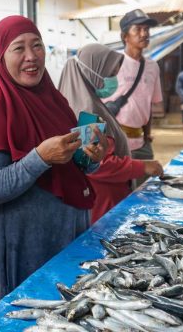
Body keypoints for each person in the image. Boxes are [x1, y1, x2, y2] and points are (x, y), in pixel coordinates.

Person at [0, 15, 107, 307]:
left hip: (67, 236)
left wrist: (92, 158)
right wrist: (39, 158)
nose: (31, 57)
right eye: (19, 48)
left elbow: (72, 166)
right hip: (23, 245)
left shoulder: (54, 101)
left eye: (37, 45)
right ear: (1, 58)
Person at [58, 44, 163, 223]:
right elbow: (97, 165)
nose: (114, 79)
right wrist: (142, 167)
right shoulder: (87, 111)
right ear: (94, 72)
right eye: (110, 73)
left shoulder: (89, 102)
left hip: (105, 200)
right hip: (101, 205)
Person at [102, 9, 162, 166]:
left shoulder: (152, 66)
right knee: (121, 189)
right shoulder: (111, 64)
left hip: (142, 143)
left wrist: (147, 134)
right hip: (116, 143)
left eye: (147, 29)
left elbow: (148, 104)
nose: (144, 34)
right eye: (138, 29)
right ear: (124, 36)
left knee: (143, 188)